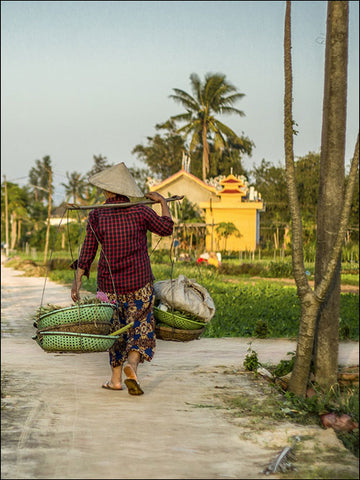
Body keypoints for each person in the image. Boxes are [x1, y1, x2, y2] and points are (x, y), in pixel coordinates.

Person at [70, 162, 174, 395]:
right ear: (126, 190)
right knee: (141, 325)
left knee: (114, 330)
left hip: (106, 288)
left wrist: (76, 281)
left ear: (108, 191)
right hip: (139, 284)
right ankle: (132, 367)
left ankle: (116, 379)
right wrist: (163, 203)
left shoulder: (97, 215)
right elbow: (166, 228)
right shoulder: (140, 211)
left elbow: (87, 251)